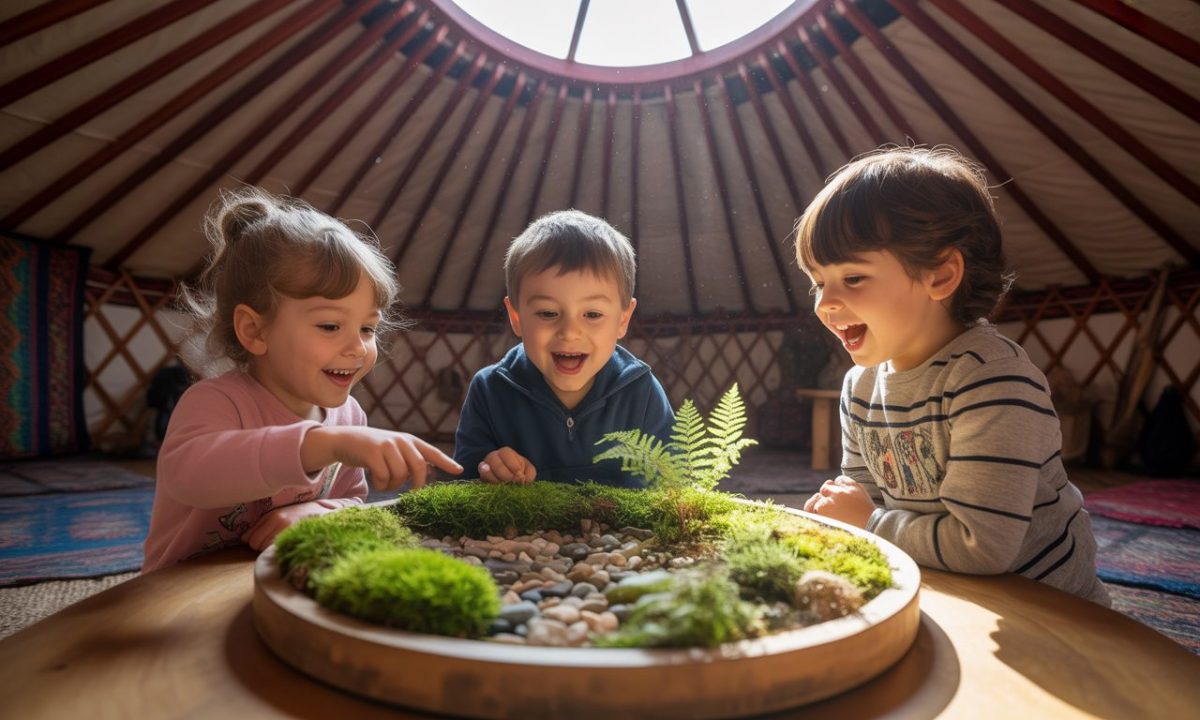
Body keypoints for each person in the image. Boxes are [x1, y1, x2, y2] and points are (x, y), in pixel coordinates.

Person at [794, 146, 1109, 606]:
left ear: (941, 276)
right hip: (948, 588)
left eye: (853, 278)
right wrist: (844, 516)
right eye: (819, 282)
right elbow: (862, 497)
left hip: (1046, 606)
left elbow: (983, 544)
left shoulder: (992, 382)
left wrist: (865, 523)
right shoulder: (858, 388)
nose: (824, 304)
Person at [142, 187, 461, 571]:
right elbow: (188, 477)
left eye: (367, 329)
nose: (358, 349)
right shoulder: (216, 402)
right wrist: (321, 444)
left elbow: (352, 501)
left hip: (275, 579)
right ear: (255, 331)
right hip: (181, 591)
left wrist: (318, 510)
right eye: (330, 325)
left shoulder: (348, 417)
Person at [454, 209, 674, 488]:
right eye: (547, 313)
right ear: (516, 317)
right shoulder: (491, 390)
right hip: (520, 531)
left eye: (592, 315)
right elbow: (463, 482)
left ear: (623, 319)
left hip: (623, 532)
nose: (569, 332)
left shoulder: (640, 391)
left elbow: (673, 481)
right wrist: (491, 467)